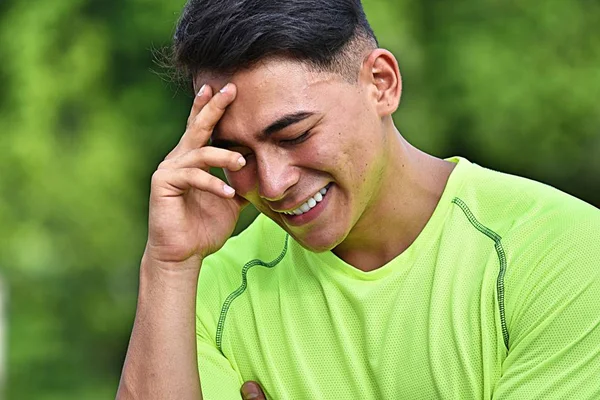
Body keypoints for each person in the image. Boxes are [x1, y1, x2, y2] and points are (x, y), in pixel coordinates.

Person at [116, 0, 600, 399]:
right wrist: (169, 265)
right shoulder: (200, 288)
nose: (273, 183)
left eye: (294, 134)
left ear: (381, 84)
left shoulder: (563, 252)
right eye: (235, 152)